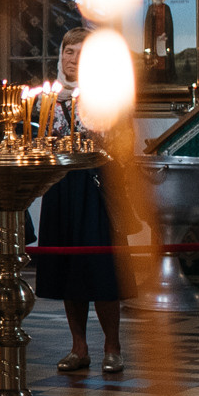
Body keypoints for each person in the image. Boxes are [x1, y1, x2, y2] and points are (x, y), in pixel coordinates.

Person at [36, 29, 129, 374]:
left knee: (100, 268)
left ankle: (112, 345)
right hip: (60, 187)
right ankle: (78, 346)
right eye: (67, 52)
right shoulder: (48, 97)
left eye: (81, 54)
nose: (72, 60)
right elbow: (40, 138)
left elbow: (121, 143)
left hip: (94, 186)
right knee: (66, 268)